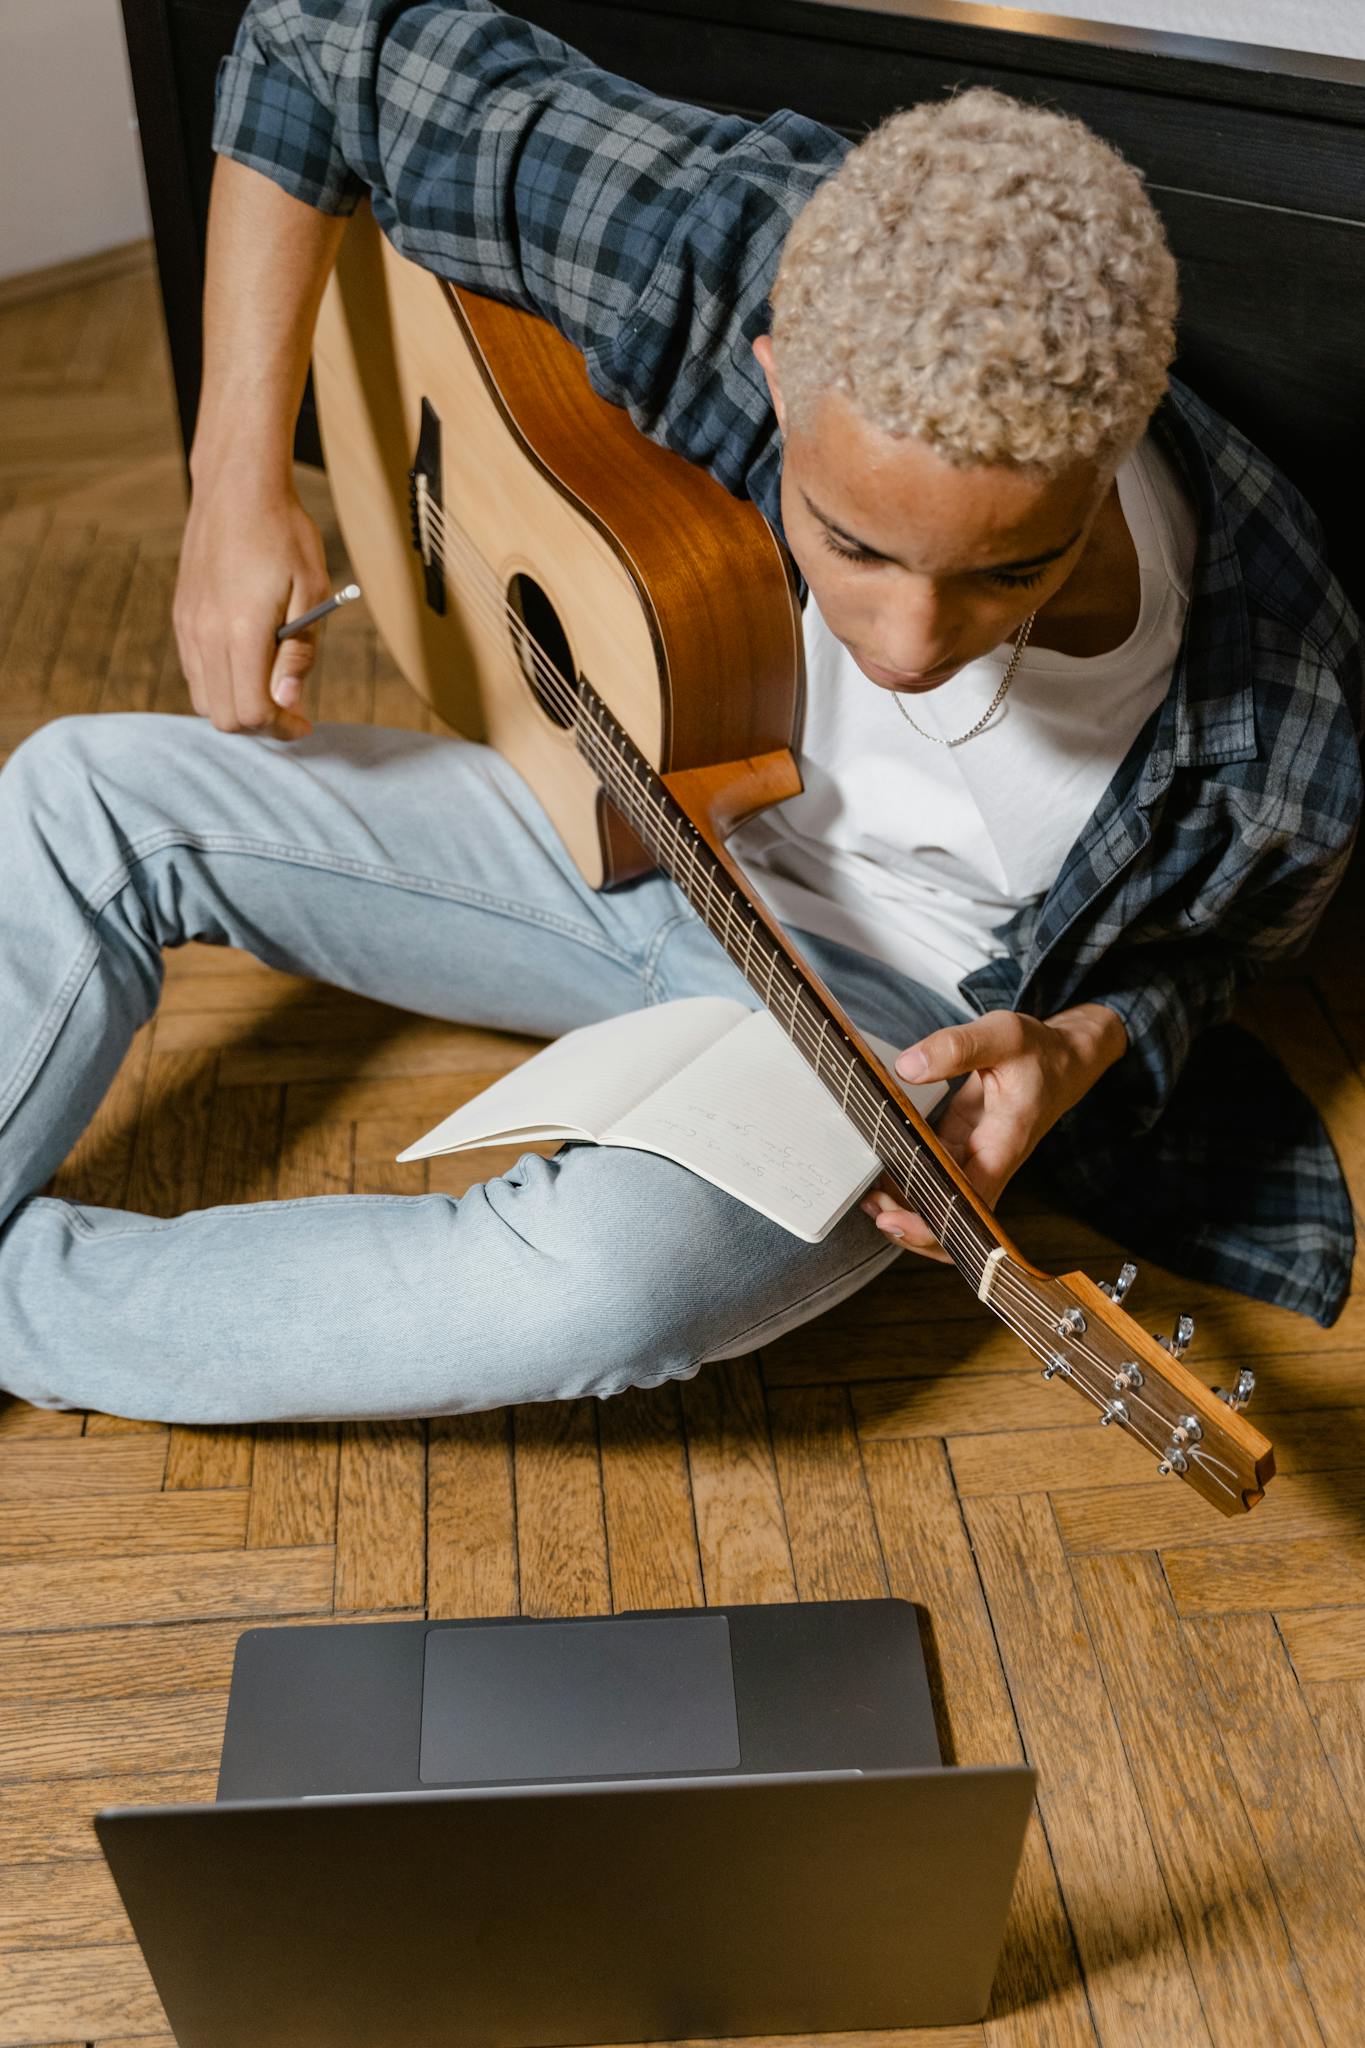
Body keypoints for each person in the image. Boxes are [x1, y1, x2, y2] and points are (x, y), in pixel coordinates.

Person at [0, 0, 1358, 1425]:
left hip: (872, 1023)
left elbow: (1199, 963)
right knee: (78, 793)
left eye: (1010, 569)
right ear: (772, 374)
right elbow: (310, 37)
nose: (906, 644)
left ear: (1117, 439)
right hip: (603, 802)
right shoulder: (720, 245)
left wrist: (1074, 1049)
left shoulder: (1280, 723)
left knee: (614, 1281)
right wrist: (235, 484)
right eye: (850, 543)